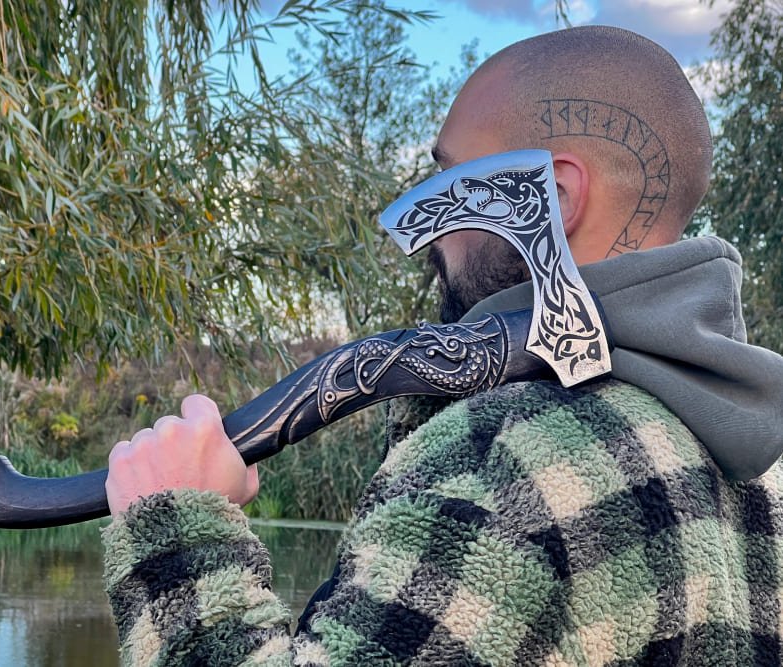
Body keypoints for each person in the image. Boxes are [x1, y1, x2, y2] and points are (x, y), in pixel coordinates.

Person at [102, 25, 783, 665]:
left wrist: (177, 530)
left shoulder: (507, 455)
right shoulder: (763, 468)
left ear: (554, 194)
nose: (426, 234)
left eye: (448, 179)